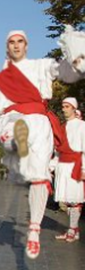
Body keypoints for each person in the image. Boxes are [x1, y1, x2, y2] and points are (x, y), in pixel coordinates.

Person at [0, 27, 85, 259]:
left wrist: (77, 57)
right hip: (14, 119)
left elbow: (66, 71)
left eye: (20, 41)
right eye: (12, 42)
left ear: (26, 46)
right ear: (8, 47)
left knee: (41, 178)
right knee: (13, 125)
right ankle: (16, 142)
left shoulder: (41, 67)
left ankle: (34, 228)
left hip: (39, 122)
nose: (16, 45)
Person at [53, 97, 84, 243]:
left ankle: (72, 230)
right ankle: (74, 229)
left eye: (66, 106)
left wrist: (84, 168)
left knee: (75, 198)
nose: (64, 109)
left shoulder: (82, 126)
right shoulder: (63, 126)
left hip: (75, 164)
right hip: (63, 165)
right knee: (67, 199)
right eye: (63, 106)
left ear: (73, 108)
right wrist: (52, 166)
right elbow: (58, 150)